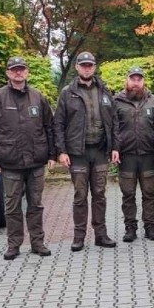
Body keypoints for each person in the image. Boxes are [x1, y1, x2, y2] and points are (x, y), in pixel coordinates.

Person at [0, 56, 56, 260]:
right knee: (12, 206)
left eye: (21, 69)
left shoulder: (37, 97)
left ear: (27, 72)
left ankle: (38, 243)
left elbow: (49, 126)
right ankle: (14, 245)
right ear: (8, 73)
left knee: (36, 205)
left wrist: (52, 153)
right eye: (14, 70)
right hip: (10, 162)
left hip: (36, 161)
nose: (18, 73)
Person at [53, 51, 117, 252]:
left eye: (90, 65)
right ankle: (79, 237)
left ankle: (101, 235)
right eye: (84, 65)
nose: (87, 68)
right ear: (77, 67)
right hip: (77, 153)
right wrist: (61, 151)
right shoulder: (67, 92)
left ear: (94, 67)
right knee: (80, 195)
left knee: (100, 194)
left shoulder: (105, 91)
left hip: (99, 151)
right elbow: (58, 124)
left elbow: (114, 122)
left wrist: (115, 147)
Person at [112, 67, 154, 242]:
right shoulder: (116, 101)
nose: (136, 83)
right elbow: (113, 128)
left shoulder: (153, 100)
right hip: (127, 156)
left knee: (149, 194)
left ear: (143, 82)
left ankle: (150, 228)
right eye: (132, 79)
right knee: (128, 195)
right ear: (127, 81)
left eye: (139, 79)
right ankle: (130, 228)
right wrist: (115, 148)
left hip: (148, 155)